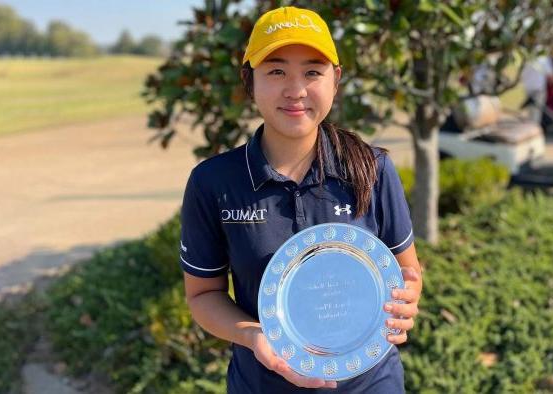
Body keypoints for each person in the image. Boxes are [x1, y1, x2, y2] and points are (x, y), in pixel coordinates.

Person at [179, 6, 422, 393]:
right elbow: (203, 295)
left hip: (371, 383)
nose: (296, 90)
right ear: (250, 81)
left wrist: (406, 301)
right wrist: (254, 336)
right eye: (276, 71)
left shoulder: (372, 169)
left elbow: (407, 271)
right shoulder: (214, 182)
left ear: (335, 79)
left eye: (313, 71)